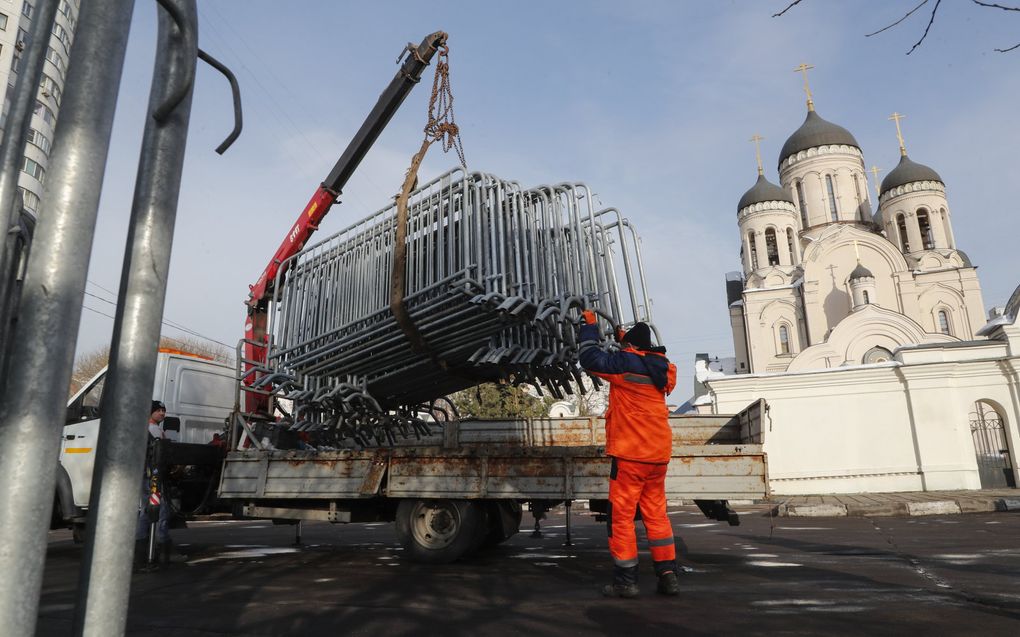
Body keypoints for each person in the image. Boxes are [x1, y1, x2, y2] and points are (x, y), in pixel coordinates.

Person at [578, 310, 680, 598]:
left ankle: (626, 581)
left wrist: (589, 327)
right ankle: (668, 575)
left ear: (632, 348)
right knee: (657, 516)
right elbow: (637, 357)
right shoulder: (661, 370)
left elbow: (590, 359)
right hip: (658, 456)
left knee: (621, 518)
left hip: (630, 455)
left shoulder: (625, 364)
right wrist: (626, 341)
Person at [135, 400, 176, 566]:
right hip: (153, 477)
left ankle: (140, 551)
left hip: (146, 475)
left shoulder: (147, 429)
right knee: (162, 511)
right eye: (159, 410)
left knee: (146, 511)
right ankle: (162, 548)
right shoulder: (153, 430)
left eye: (164, 411)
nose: (162, 414)